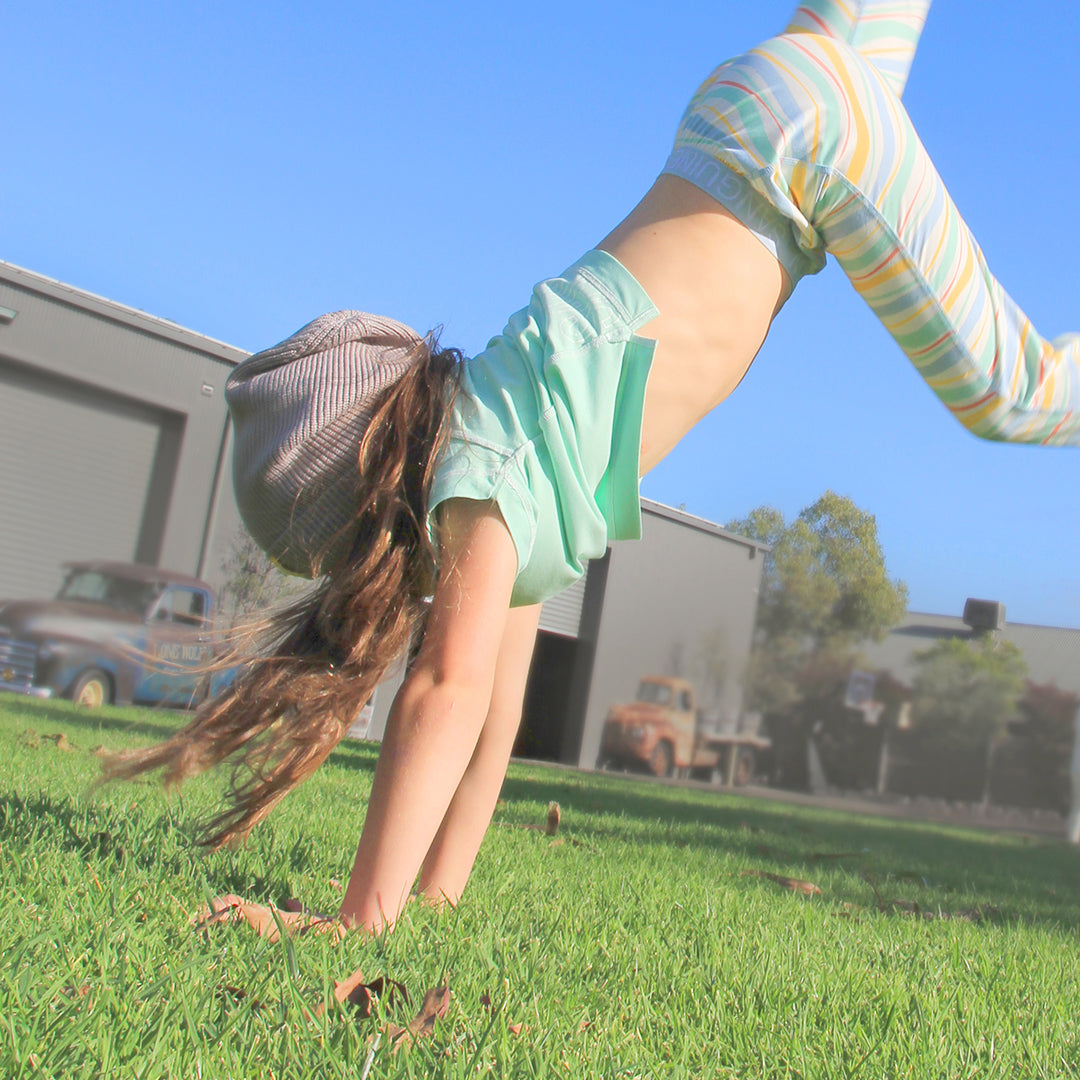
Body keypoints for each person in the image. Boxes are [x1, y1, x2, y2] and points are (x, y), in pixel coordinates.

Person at [104, 0, 1080, 932]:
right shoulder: (508, 468)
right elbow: (494, 713)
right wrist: (432, 898)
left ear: (373, 506)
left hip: (795, 147)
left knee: (1017, 394)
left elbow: (445, 690)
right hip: (750, 115)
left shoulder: (482, 473)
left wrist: (359, 921)